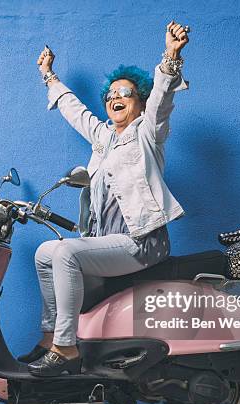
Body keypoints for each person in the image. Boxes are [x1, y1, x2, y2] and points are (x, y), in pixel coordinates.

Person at [21, 20, 190, 376]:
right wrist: (48, 75)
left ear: (139, 104)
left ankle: (67, 348)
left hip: (142, 242)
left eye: (125, 93)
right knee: (44, 253)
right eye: (111, 94)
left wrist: (171, 58)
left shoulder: (147, 134)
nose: (115, 97)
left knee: (65, 251)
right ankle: (51, 337)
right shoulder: (102, 138)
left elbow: (162, 100)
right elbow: (74, 110)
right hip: (109, 241)